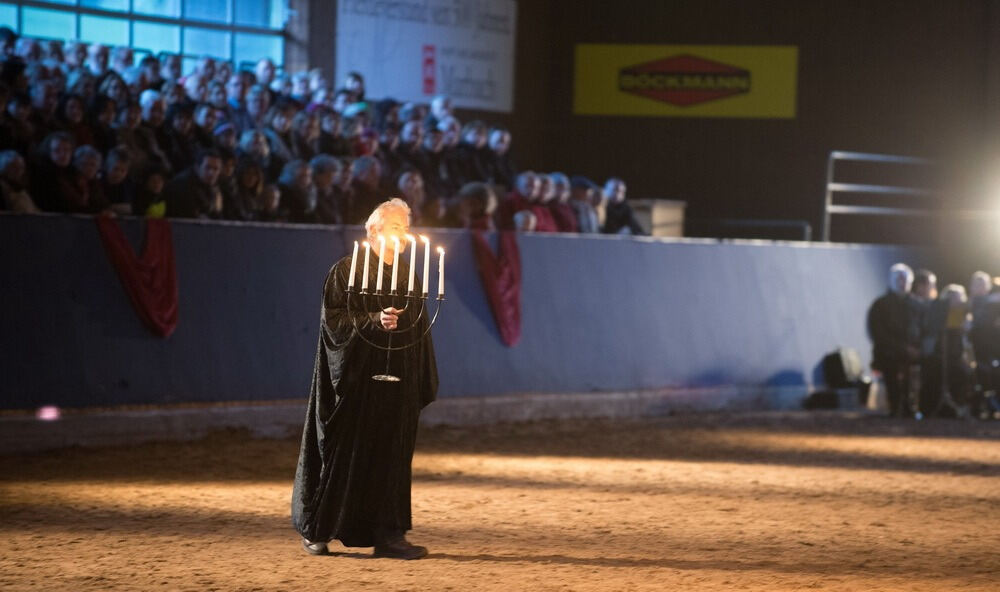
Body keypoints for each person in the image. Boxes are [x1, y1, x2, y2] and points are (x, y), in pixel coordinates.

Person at [292, 198, 438, 559]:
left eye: (405, 227)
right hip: (356, 383)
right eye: (394, 226)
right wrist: (374, 319)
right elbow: (334, 323)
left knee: (390, 456)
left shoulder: (408, 276)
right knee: (342, 453)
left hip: (396, 382)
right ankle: (318, 528)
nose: (402, 233)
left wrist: (416, 372)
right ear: (373, 231)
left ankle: (388, 535)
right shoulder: (345, 272)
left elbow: (419, 329)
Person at [867, 263, 918, 416]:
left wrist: (915, 347)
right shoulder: (880, 305)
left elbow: (920, 328)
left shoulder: (915, 304)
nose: (902, 284)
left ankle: (910, 407)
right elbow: (879, 333)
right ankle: (895, 406)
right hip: (889, 353)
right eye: (899, 280)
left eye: (905, 280)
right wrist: (901, 348)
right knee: (892, 372)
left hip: (911, 352)